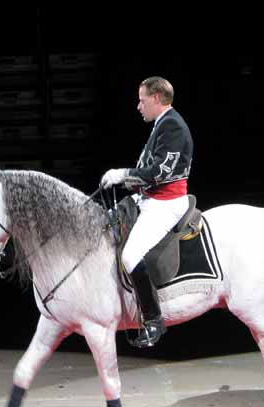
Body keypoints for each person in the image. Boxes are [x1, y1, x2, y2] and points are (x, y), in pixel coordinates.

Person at [100, 76, 194, 348]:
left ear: (156, 98)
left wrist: (123, 174)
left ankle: (154, 320)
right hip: (148, 198)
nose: (138, 106)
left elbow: (160, 173)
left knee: (130, 256)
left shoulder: (173, 126)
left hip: (166, 203)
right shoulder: (161, 124)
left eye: (142, 100)